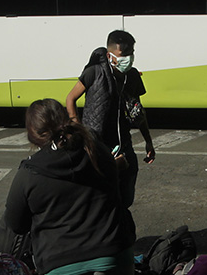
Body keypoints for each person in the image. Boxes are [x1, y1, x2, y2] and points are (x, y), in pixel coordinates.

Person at [4, 99, 140, 275]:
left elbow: (16, 224)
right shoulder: (95, 149)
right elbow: (116, 191)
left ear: (33, 135)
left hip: (62, 263)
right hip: (111, 251)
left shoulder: (29, 173)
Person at [66, 30, 156, 207]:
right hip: (99, 145)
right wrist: (79, 129)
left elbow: (138, 111)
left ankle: (121, 227)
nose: (128, 59)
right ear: (110, 55)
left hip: (124, 144)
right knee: (103, 198)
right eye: (123, 55)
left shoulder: (132, 76)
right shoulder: (94, 72)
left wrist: (148, 141)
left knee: (126, 196)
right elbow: (70, 98)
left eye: (131, 54)